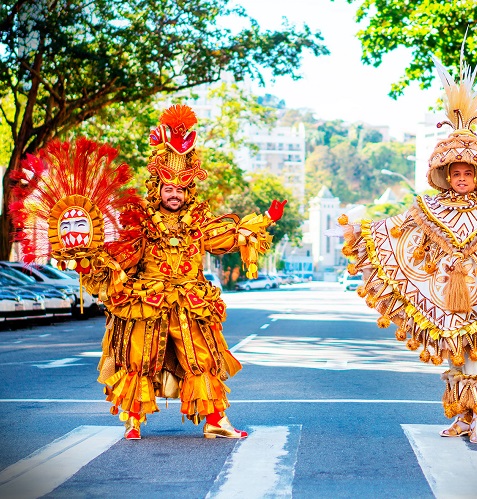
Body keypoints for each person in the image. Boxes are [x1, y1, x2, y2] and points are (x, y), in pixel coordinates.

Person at [10, 104, 286, 440]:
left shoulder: (198, 220)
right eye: (169, 189)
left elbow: (224, 236)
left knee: (203, 361)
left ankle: (215, 420)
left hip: (189, 300)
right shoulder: (140, 221)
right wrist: (89, 257)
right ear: (158, 188)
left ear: (188, 191)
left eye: (181, 189)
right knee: (137, 361)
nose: (175, 195)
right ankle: (133, 422)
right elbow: (121, 254)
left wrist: (266, 220)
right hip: (147, 299)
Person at [339, 56, 477, 444]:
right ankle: (465, 418)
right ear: (445, 175)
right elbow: (397, 231)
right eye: (456, 173)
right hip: (443, 293)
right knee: (456, 355)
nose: (463, 178)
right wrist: (359, 230)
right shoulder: (427, 208)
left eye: (469, 173)